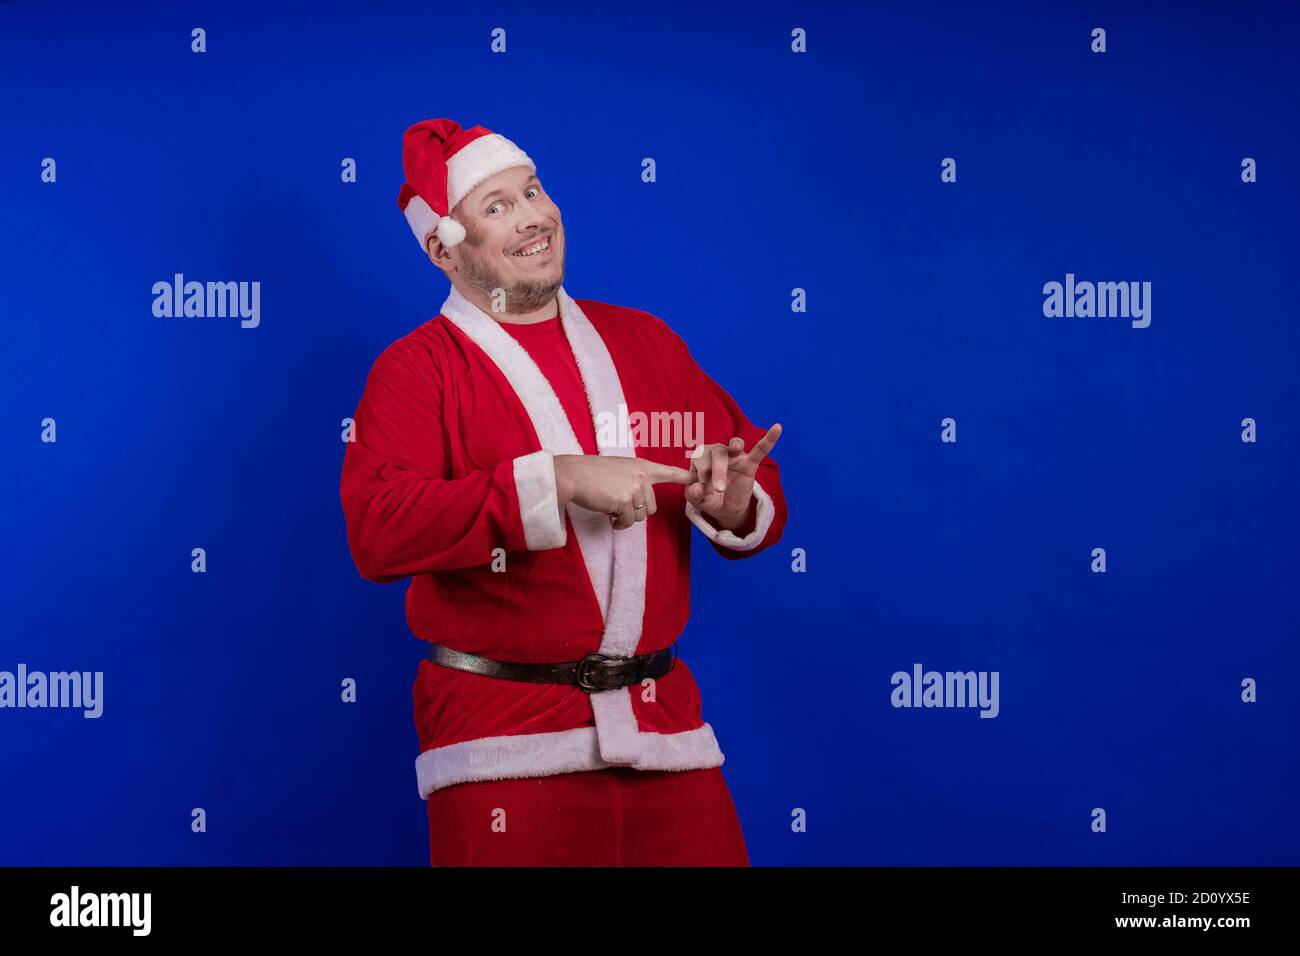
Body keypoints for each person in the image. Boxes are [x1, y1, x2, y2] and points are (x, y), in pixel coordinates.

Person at [339, 118, 789, 866]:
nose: (533, 217)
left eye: (534, 191)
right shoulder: (414, 371)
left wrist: (731, 501)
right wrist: (556, 480)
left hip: (664, 735)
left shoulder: (647, 342)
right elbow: (379, 530)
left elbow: (750, 476)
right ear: (442, 249)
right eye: (497, 206)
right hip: (502, 752)